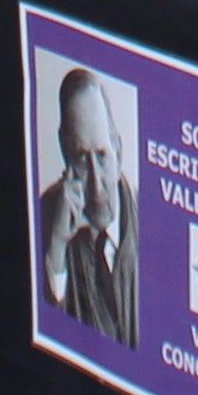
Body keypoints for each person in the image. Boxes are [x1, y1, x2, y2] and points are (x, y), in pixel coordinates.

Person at [37, 66, 132, 338]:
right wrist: (56, 248)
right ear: (64, 152)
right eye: (81, 158)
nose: (95, 182)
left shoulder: (150, 214)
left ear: (119, 150)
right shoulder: (44, 215)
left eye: (102, 156)